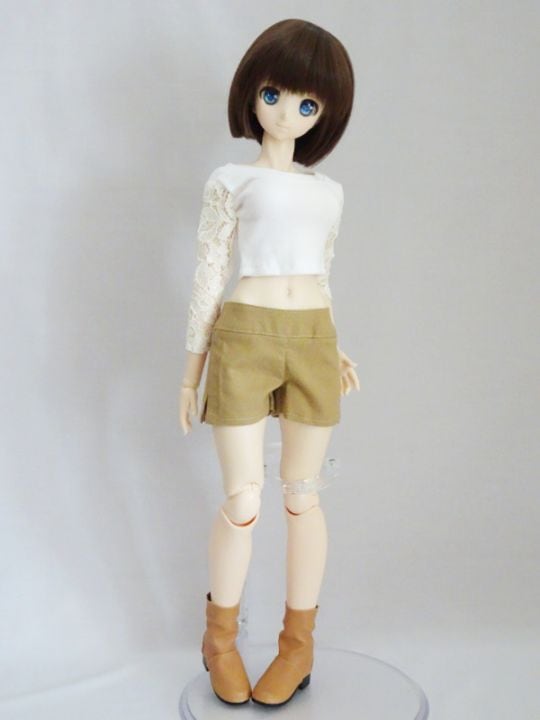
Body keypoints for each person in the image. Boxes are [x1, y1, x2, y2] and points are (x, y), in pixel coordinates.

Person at [179, 18, 360, 707]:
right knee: (244, 500)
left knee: (303, 496)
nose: (287, 114)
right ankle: (220, 641)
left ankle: (297, 645)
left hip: (312, 336)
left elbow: (323, 272)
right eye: (274, 95)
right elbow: (209, 272)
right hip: (245, 336)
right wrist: (191, 370)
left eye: (307, 103)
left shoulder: (329, 191)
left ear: (324, 113)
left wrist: (333, 344)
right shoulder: (231, 180)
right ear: (252, 94)